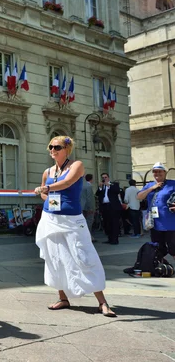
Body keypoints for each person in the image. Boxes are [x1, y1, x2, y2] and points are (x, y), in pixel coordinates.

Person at [34, 136, 116, 317]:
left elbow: (67, 183)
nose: (52, 150)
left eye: (57, 147)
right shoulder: (47, 172)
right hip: (51, 218)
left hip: (72, 220)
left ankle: (102, 302)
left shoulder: (76, 166)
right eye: (50, 147)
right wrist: (46, 196)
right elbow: (43, 193)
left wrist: (47, 189)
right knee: (54, 258)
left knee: (84, 256)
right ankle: (62, 297)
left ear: (66, 149)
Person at [137, 162, 175, 261]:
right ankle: (160, 267)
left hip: (170, 222)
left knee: (173, 247)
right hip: (155, 222)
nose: (157, 173)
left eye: (160, 171)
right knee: (158, 248)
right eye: (155, 172)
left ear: (165, 172)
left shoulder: (172, 184)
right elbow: (139, 197)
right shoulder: (149, 185)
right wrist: (152, 188)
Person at [96, 172, 122, 245]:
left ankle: (115, 240)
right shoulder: (102, 186)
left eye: (105, 177)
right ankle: (110, 239)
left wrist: (109, 186)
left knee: (114, 223)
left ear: (108, 178)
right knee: (107, 224)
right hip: (105, 206)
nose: (104, 179)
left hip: (113, 207)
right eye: (103, 178)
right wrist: (100, 188)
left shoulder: (114, 184)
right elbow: (97, 194)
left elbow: (117, 191)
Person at [80, 174, 97, 242]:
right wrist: (91, 208)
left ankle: (83, 235)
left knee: (81, 222)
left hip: (80, 207)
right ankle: (88, 236)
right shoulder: (88, 186)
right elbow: (90, 198)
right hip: (87, 207)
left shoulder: (79, 185)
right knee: (89, 221)